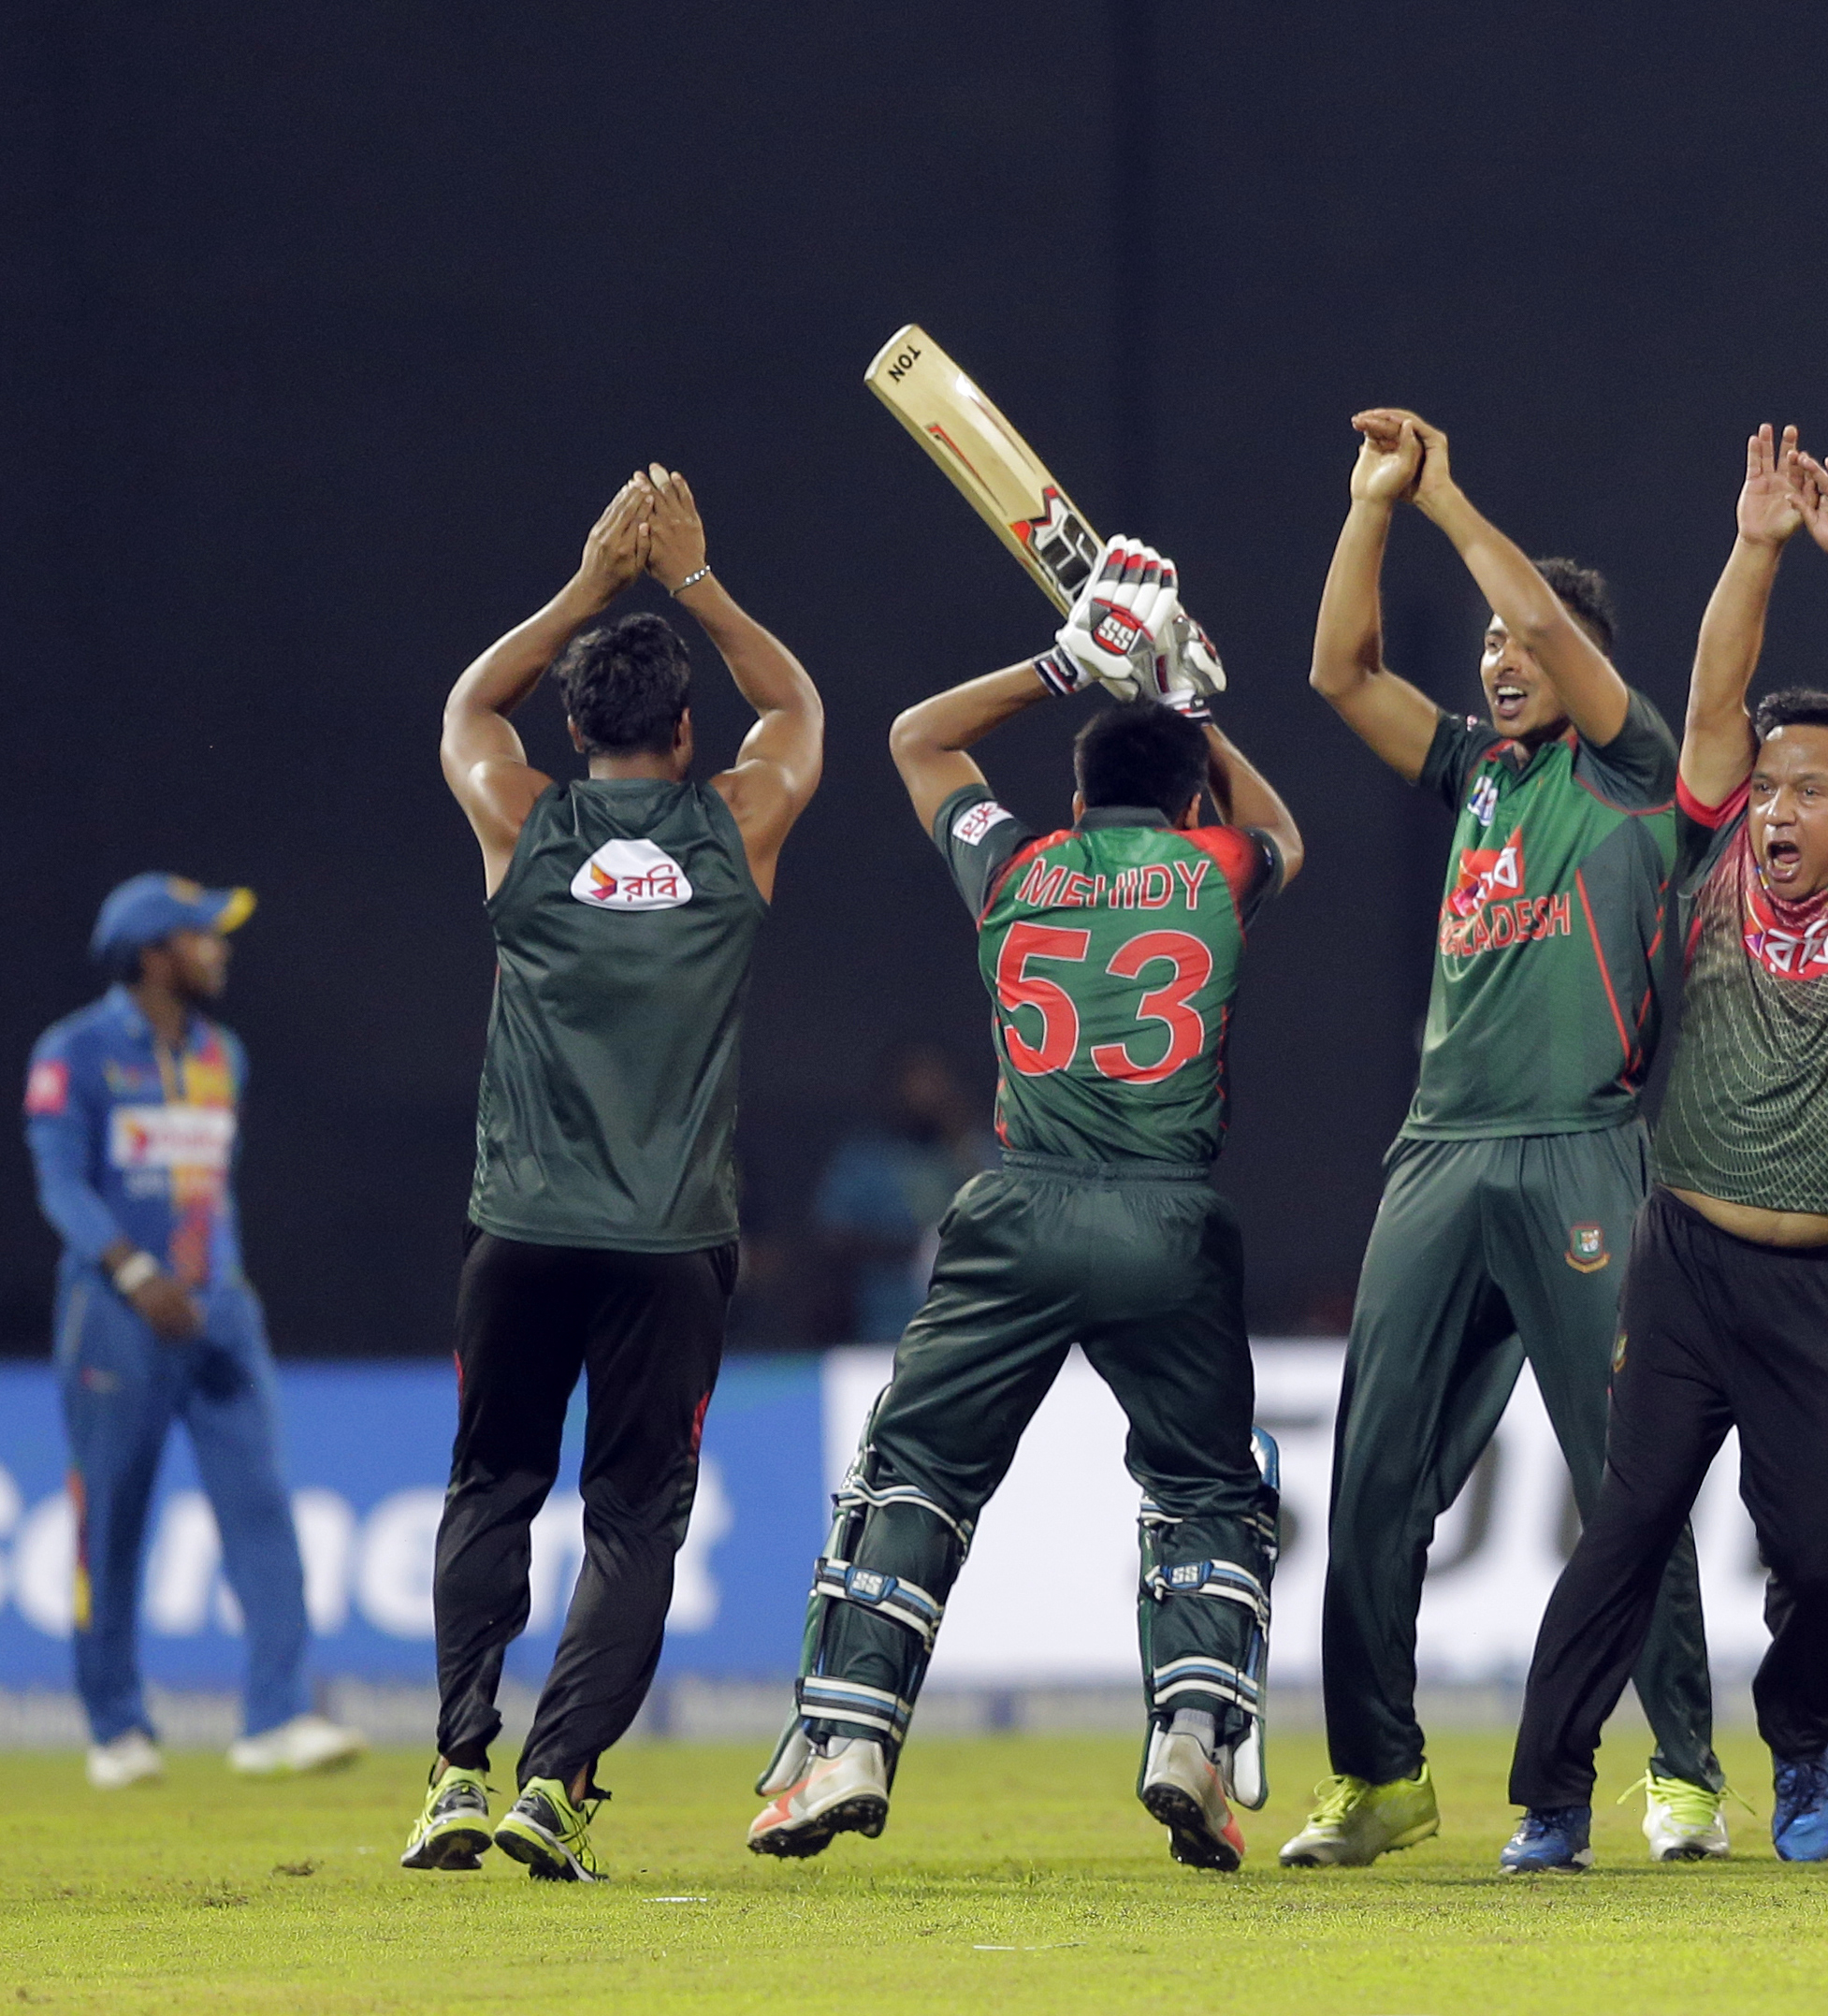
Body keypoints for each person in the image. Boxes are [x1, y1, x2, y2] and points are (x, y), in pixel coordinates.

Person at [747, 539, 1305, 1872]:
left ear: (1073, 787)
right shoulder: (1217, 870)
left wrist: (1070, 661)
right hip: (1169, 1219)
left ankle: (847, 1751)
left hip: (1020, 1211)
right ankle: (1189, 1739)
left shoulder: (1015, 867)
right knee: (1204, 1489)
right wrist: (1198, 711)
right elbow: (1284, 834)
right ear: (1186, 803)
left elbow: (914, 739)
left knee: (916, 1472)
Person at [1498, 428, 1828, 1873]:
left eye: (1807, 789)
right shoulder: (1705, 864)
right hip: (1685, 1266)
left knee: (1818, 1557)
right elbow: (1707, 701)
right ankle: (1553, 1796)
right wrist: (1755, 548)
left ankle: (1804, 1742)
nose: (1774, 807)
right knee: (1623, 1527)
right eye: (1764, 787)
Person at [1286, 410, 1727, 1868]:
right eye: (1482, 644)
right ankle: (1379, 1776)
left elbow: (1541, 613)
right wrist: (1370, 507)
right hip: (1437, 1153)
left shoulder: (1633, 764)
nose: (1496, 657)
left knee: (1624, 1473)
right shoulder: (1476, 771)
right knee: (1369, 1477)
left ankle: (1680, 1767)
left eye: (1519, 642)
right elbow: (1336, 672)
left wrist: (1451, 493)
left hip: (1579, 1147)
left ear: (1580, 660)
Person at [409, 469, 821, 1879]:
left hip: (520, 1229)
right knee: (632, 1518)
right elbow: (801, 713)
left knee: (492, 1487)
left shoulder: (521, 819)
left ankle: (459, 1771)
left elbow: (469, 705)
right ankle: (557, 1781)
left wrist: (592, 582)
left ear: (574, 727)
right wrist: (693, 580)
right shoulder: (736, 827)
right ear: (687, 729)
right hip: (670, 1242)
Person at [27, 875, 364, 1789]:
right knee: (114, 1520)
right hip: (115, 1316)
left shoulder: (225, 1054)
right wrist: (133, 1274)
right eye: (202, 935)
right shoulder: (76, 1052)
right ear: (151, 954)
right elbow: (61, 1185)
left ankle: (277, 1717)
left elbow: (205, 1187)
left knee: (261, 1508)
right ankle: (117, 1729)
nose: (221, 948)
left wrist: (221, 1285)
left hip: (219, 1311)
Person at [805, 1042, 990, 1344]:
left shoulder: (974, 1149)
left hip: (970, 1330)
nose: (926, 1094)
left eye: (935, 1082)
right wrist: (916, 1251)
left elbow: (1010, 1223)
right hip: (887, 1329)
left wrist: (960, 1138)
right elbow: (832, 1238)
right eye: (915, 1082)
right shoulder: (865, 1157)